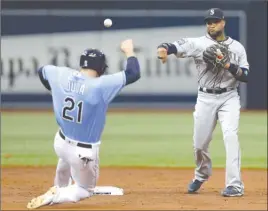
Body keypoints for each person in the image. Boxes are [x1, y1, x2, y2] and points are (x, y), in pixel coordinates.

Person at [27, 39, 141, 209]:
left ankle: (58, 186)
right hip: (83, 152)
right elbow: (133, 73)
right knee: (85, 190)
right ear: (101, 68)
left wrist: (56, 92)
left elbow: (41, 71)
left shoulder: (60, 74)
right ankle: (56, 195)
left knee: (64, 162)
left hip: (60, 141)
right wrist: (129, 51)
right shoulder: (100, 85)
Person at [157, 8, 249, 197]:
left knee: (230, 137)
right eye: (208, 21)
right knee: (199, 144)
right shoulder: (198, 43)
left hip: (229, 97)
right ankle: (201, 174)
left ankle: (235, 185)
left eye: (215, 21)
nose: (211, 24)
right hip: (205, 98)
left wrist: (228, 65)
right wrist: (164, 49)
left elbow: (245, 76)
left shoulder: (237, 47)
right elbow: (174, 45)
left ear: (223, 23)